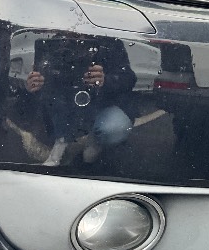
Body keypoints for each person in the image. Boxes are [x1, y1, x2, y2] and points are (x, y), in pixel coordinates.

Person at [26, 38, 137, 166]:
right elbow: (45, 93)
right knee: (56, 107)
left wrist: (105, 80)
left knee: (114, 129)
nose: (73, 33)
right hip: (64, 107)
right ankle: (61, 144)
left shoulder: (109, 43)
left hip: (103, 106)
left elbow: (129, 78)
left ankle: (94, 141)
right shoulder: (52, 45)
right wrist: (33, 86)